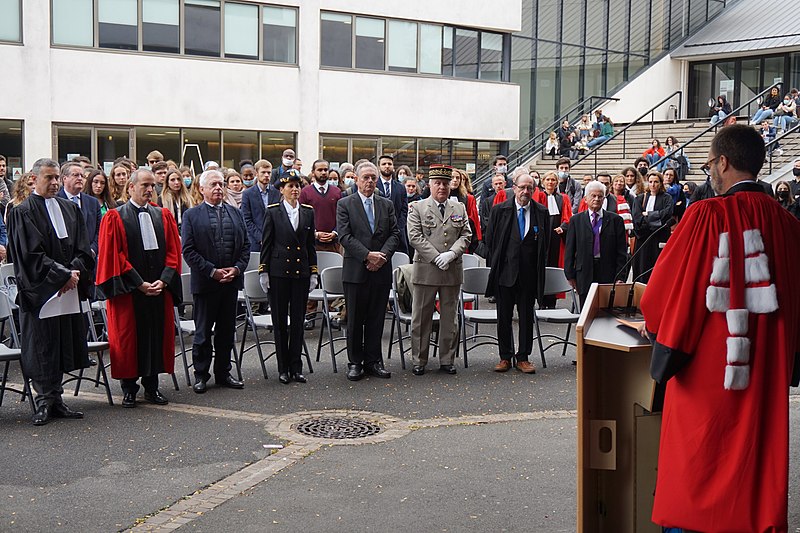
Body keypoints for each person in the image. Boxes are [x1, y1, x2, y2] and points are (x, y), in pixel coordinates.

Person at [640, 124, 800, 532]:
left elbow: (660, 297)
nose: (710, 170)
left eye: (711, 163)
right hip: (765, 375)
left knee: (698, 474)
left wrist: (656, 330)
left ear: (723, 162)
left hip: (707, 378)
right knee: (756, 473)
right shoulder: (788, 226)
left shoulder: (705, 216)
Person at [6, 158, 94, 425]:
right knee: (42, 345)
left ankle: (57, 399)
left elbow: (83, 248)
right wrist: (62, 275)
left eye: (57, 177)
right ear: (34, 179)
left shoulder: (70, 209)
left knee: (61, 342)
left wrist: (74, 272)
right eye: (49, 178)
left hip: (67, 289)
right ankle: (43, 400)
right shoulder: (23, 212)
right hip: (41, 292)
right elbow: (29, 255)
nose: (55, 182)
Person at [96, 168, 182, 408]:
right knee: (129, 339)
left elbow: (174, 252)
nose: (149, 190)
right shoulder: (115, 217)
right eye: (144, 185)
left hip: (157, 288)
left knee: (155, 335)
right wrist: (139, 284)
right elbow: (115, 255)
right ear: (130, 187)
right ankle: (129, 389)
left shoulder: (162, 215)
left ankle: (152, 387)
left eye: (152, 185)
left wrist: (164, 281)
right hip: (130, 291)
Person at [182, 169, 248, 393]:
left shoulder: (235, 213)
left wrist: (237, 269)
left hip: (230, 283)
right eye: (213, 185)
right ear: (202, 189)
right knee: (202, 333)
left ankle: (223, 372)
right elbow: (188, 251)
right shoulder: (191, 215)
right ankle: (201, 374)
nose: (219, 188)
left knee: (226, 331)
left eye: (221, 184)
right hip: (206, 284)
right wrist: (212, 271)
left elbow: (246, 246)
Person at [336, 162, 399, 381]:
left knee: (376, 318)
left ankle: (374, 361)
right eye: (366, 178)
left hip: (380, 269)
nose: (370, 181)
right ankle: (355, 362)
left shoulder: (386, 204)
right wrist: (367, 256)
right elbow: (344, 236)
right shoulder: (345, 204)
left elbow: (394, 234)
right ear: (357, 180)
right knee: (355, 318)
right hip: (356, 270)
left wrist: (381, 257)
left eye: (373, 178)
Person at [407, 165, 471, 376]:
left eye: (445, 183)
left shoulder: (459, 208)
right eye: (438, 183)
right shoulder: (417, 207)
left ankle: (446, 359)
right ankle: (419, 359)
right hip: (426, 269)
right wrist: (436, 257)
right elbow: (415, 236)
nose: (442, 187)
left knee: (449, 318)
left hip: (451, 269)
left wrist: (451, 254)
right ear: (430, 185)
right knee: (421, 317)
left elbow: (466, 235)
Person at [484, 173, 550, 374]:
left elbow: (544, 245)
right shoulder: (499, 210)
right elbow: (491, 241)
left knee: (526, 317)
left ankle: (523, 357)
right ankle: (505, 356)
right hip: (505, 273)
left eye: (530, 188)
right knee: (503, 317)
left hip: (529, 274)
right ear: (514, 188)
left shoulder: (541, 212)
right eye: (522, 187)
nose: (525, 191)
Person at [564, 181, 628, 308]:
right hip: (584, 273)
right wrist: (570, 274)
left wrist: (621, 276)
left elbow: (622, 251)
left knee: (605, 313)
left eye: (600, 196)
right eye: (593, 196)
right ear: (586, 198)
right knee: (586, 312)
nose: (597, 199)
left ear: (604, 199)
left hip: (608, 273)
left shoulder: (616, 220)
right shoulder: (576, 220)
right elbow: (570, 250)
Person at [536, 170, 572, 308]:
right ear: (543, 182)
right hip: (541, 236)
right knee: (540, 266)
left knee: (554, 265)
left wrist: (563, 227)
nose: (550, 182)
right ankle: (540, 299)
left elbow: (567, 216)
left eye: (553, 180)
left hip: (556, 237)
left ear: (557, 182)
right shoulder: (538, 196)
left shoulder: (563, 198)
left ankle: (552, 299)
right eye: (548, 180)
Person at [631, 171, 673, 283]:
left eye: (656, 182)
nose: (653, 185)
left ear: (660, 183)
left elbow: (667, 215)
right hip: (643, 238)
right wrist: (655, 218)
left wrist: (648, 215)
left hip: (658, 238)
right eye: (650, 182)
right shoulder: (640, 198)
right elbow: (637, 218)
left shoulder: (666, 198)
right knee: (641, 269)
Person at [57, 161, 102, 259]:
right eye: (76, 175)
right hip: (65, 260)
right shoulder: (55, 201)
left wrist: (93, 249)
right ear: (64, 178)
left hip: (89, 259)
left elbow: (100, 230)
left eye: (82, 175)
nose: (80, 178)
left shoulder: (93, 202)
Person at [299, 159, 341, 253]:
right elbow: (301, 216)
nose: (323, 172)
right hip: (312, 242)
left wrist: (335, 232)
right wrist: (315, 233)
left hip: (333, 243)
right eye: (320, 170)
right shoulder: (305, 192)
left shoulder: (337, 192)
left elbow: (342, 215)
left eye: (326, 170)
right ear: (313, 172)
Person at [241, 159, 280, 252]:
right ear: (256, 173)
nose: (266, 175)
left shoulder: (277, 193)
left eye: (269, 173)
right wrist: (260, 237)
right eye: (263, 172)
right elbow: (246, 219)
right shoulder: (248, 194)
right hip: (255, 242)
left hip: (275, 241)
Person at [376, 155, 409, 254]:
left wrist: (399, 226)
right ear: (379, 167)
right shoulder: (373, 186)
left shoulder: (400, 187)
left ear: (393, 167)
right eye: (384, 164)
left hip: (397, 232)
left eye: (389, 164)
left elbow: (404, 209)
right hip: (378, 234)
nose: (387, 166)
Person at [449, 168, 482, 253]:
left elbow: (473, 220)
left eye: (457, 178)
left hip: (462, 240)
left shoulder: (469, 199)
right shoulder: (440, 198)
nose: (455, 180)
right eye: (452, 177)